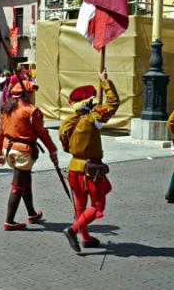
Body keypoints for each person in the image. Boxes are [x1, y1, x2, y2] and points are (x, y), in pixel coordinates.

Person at [59, 71, 119, 252]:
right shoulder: (93, 118)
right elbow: (113, 103)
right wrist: (105, 82)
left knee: (79, 204)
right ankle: (73, 230)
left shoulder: (67, 122)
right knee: (97, 205)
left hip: (74, 167)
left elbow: (65, 147)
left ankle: (85, 238)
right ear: (88, 103)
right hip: (90, 170)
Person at [0, 79, 58, 230]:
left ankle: (31, 213)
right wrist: (53, 151)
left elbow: (0, 132)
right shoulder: (31, 110)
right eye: (32, 93)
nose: (34, 95)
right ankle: (9, 222)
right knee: (17, 186)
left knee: (25, 180)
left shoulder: (7, 108)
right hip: (22, 152)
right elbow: (42, 134)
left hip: (8, 149)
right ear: (27, 93)